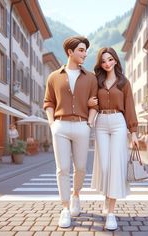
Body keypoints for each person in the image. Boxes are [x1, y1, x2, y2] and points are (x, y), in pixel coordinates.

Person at [43, 36, 98, 228]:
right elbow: (48, 102)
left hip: (82, 125)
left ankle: (76, 194)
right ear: (70, 52)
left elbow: (95, 103)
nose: (84, 54)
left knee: (81, 167)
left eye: (85, 50)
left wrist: (89, 123)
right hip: (61, 126)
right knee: (62, 168)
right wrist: (52, 123)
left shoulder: (90, 77)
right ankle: (65, 208)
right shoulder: (54, 76)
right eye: (81, 50)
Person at [89, 47, 138, 230]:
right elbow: (91, 101)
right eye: (103, 61)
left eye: (110, 59)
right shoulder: (97, 81)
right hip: (101, 122)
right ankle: (106, 197)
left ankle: (111, 213)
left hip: (118, 122)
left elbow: (130, 106)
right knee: (105, 167)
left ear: (116, 60)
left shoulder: (124, 82)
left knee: (116, 167)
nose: (107, 63)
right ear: (100, 64)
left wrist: (133, 132)